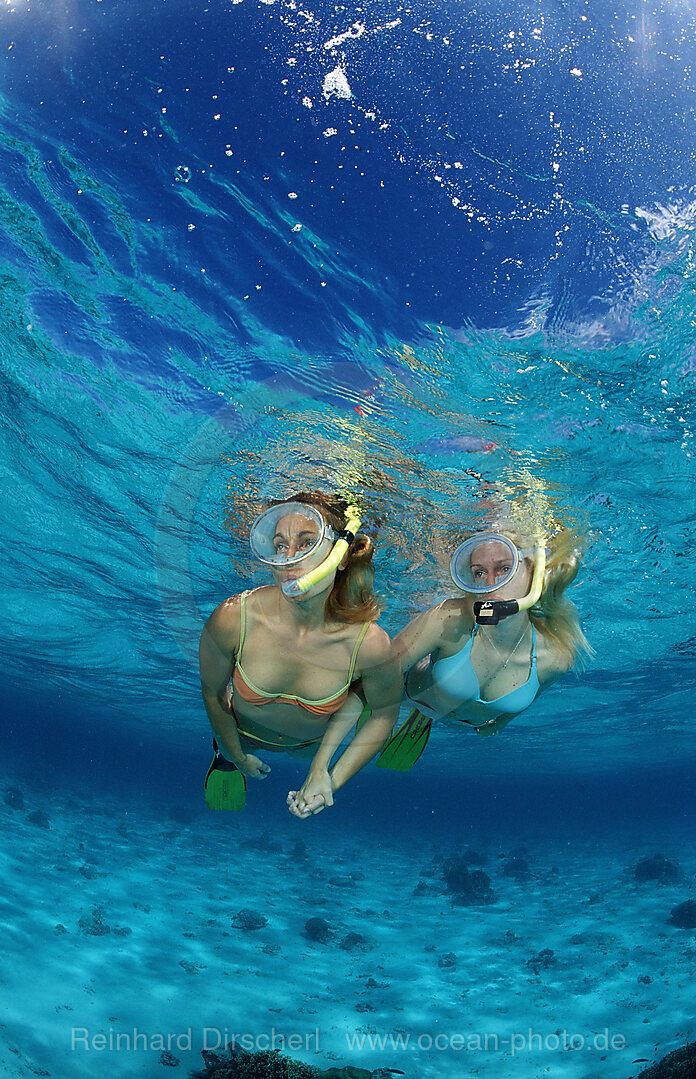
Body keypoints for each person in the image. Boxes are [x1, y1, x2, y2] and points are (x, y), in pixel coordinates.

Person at [199, 493, 401, 816]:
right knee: (227, 749)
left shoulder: (369, 643)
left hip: (310, 749)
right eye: (280, 546)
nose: (289, 559)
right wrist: (234, 754)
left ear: (343, 555)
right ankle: (222, 757)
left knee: (368, 692)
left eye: (306, 543)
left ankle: (359, 693)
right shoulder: (232, 618)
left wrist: (328, 776)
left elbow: (385, 715)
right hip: (243, 737)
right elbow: (212, 694)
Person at [381, 522, 592, 769]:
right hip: (411, 698)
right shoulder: (450, 618)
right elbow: (380, 671)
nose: (490, 584)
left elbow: (531, 695)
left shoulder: (558, 657)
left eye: (504, 568)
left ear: (534, 572)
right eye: (479, 573)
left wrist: (499, 724)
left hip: (460, 723)